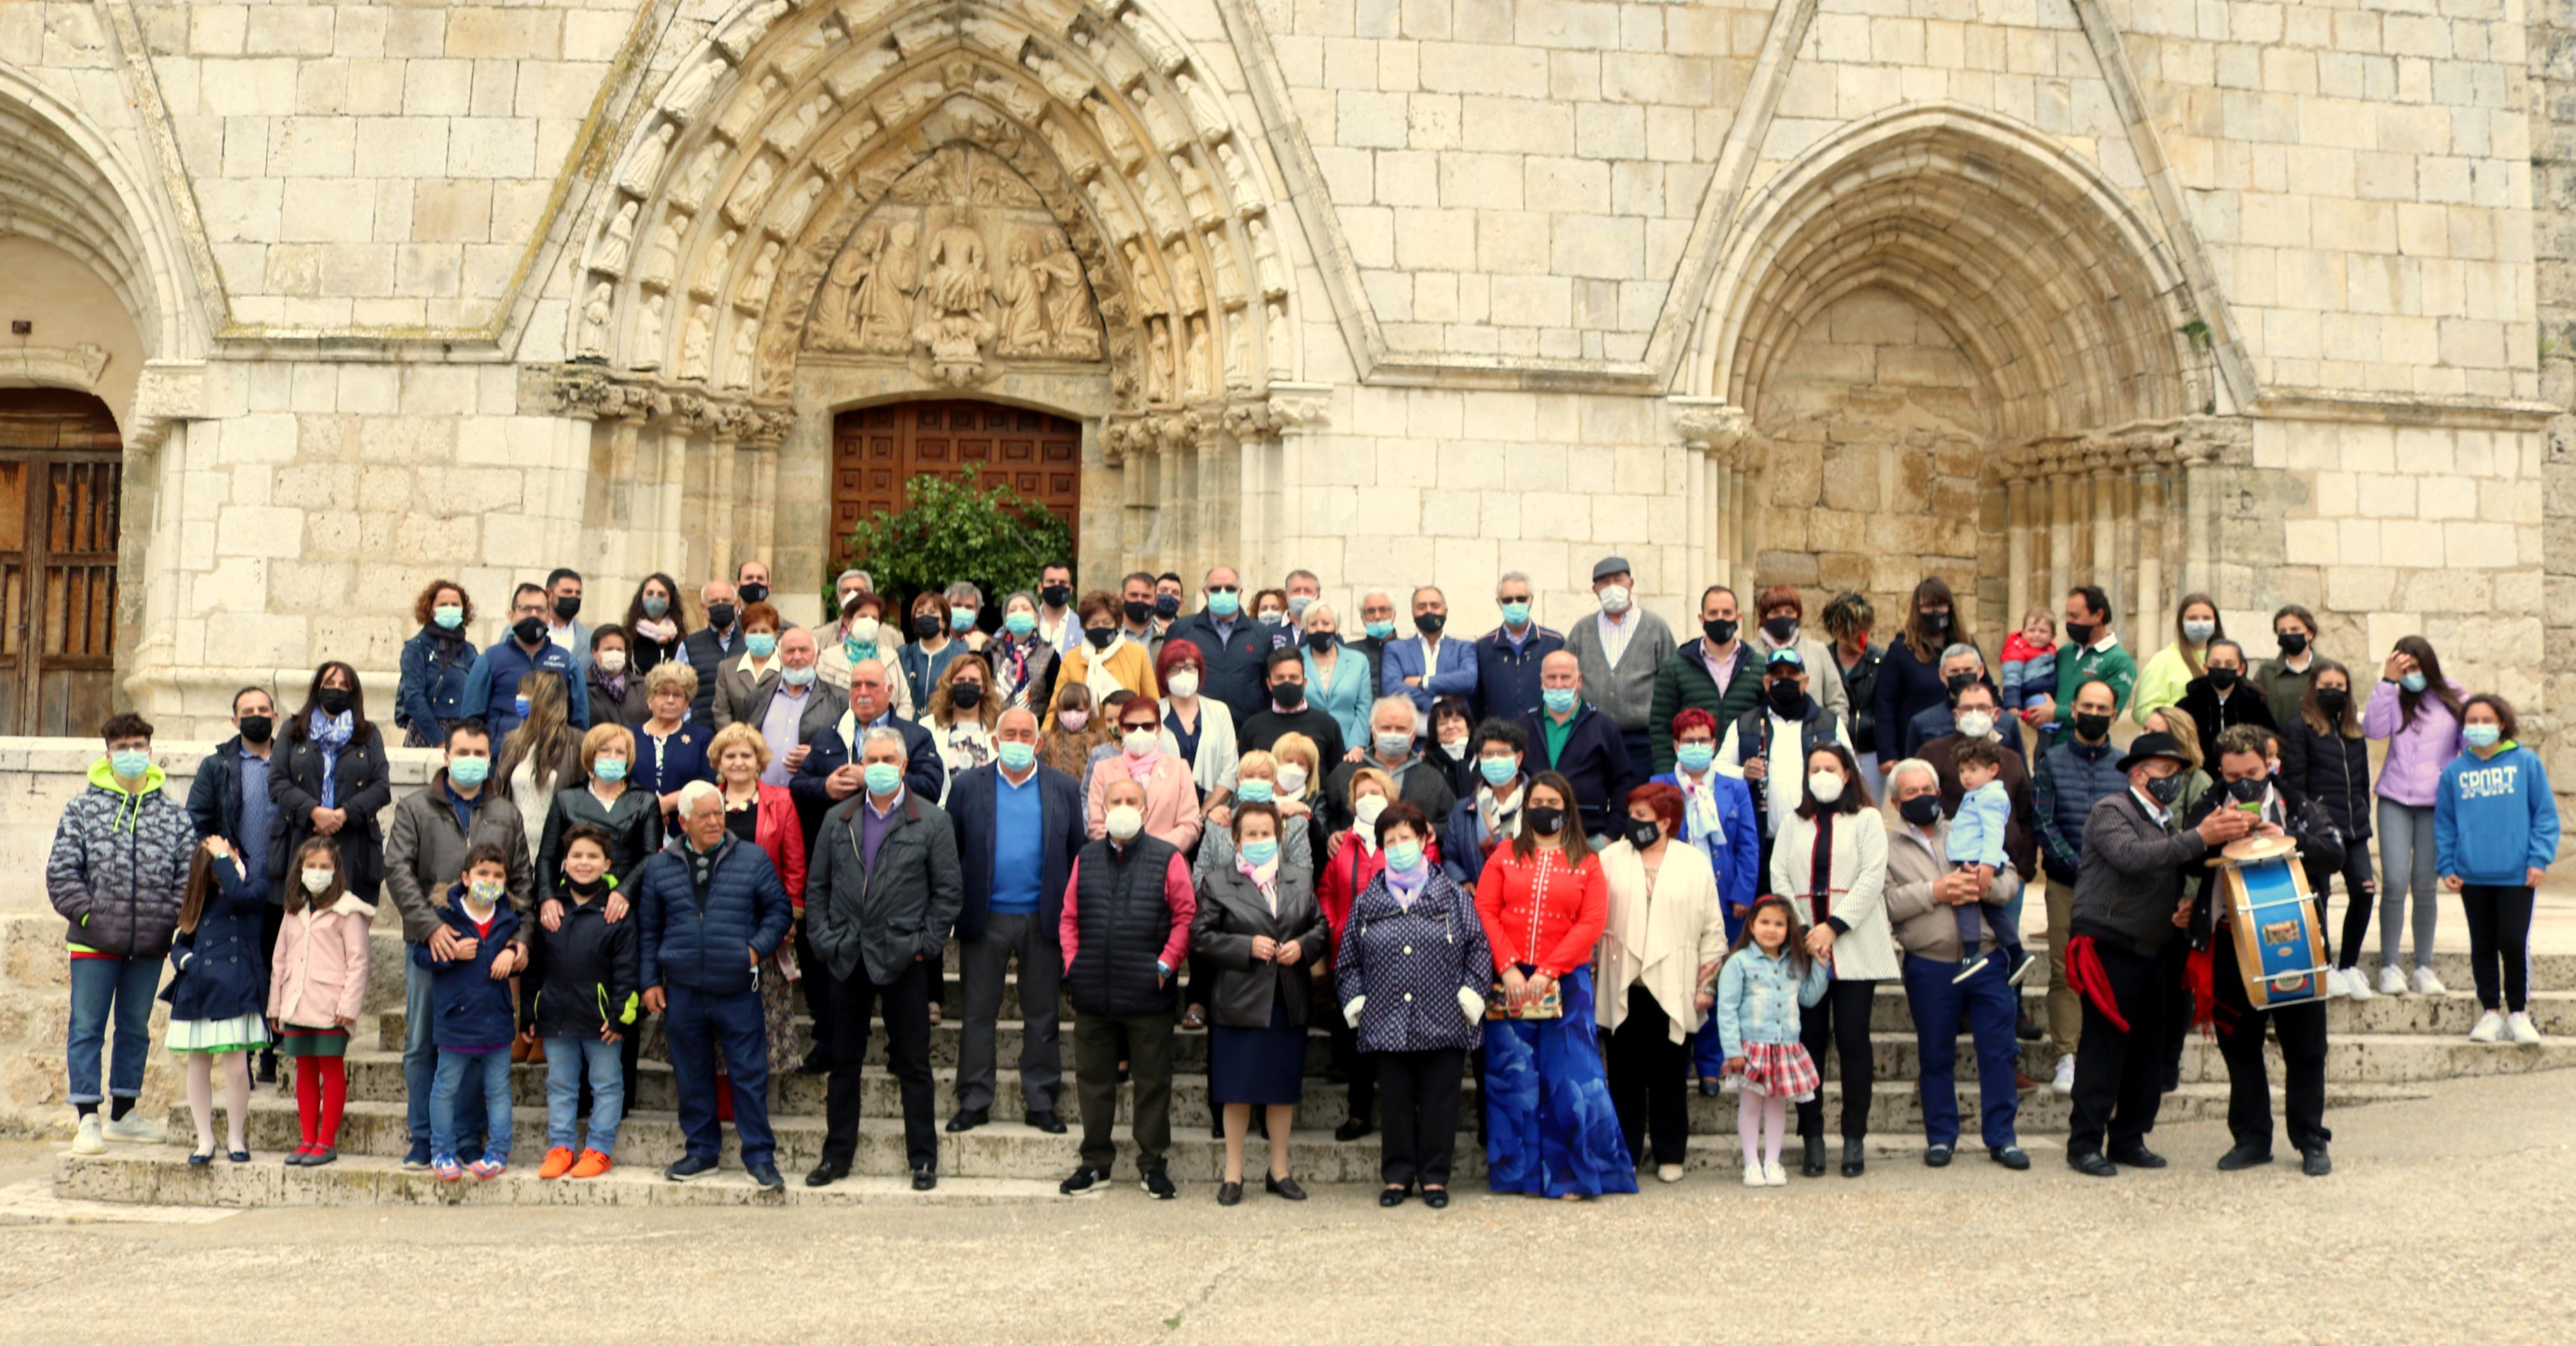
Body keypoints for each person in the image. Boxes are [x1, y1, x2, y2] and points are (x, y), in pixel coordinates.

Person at [2061, 731, 2253, 1177]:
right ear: (2137, 772)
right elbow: (2132, 857)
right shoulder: (2112, 809)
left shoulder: (2166, 822)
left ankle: (2129, 1137)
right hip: (2108, 944)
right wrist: (2200, 835)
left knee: (2149, 1052)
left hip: (2152, 950)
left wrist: (2183, 906)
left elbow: (2164, 867)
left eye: (2177, 773)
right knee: (2104, 1048)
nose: (2172, 779)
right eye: (2164, 771)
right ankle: (2084, 1143)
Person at [805, 727, 963, 1190]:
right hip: (848, 955)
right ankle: (836, 1157)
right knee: (844, 1063)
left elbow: (948, 893)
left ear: (903, 764)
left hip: (903, 958)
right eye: (870, 756)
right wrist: (826, 939)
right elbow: (817, 888)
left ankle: (923, 1159)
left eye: (887, 757)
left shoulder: (932, 821)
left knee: (913, 1064)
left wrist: (923, 945)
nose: (878, 764)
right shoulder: (837, 819)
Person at [2180, 726, 2337, 1175]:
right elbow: (2182, 857)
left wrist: (2288, 839)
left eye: (2251, 771)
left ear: (2268, 762)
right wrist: (2209, 835)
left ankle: (2310, 1139)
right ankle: (2251, 1138)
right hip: (2231, 940)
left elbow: (2333, 853)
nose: (2243, 781)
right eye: (2232, 775)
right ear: (2220, 771)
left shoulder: (2295, 803)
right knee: (2238, 1045)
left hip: (2295, 940)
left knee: (2306, 1048)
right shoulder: (2209, 803)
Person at [1472, 771, 1634, 1198]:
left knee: (1573, 1078)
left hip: (1567, 980)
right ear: (1526, 808)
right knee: (1515, 1077)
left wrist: (1549, 968)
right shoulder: (1503, 854)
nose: (1544, 806)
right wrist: (1507, 966)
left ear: (1567, 807)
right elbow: (1485, 909)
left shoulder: (1587, 861)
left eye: (1552, 800)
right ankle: (1520, 1176)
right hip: (1509, 978)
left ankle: (1576, 1175)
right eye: (1536, 800)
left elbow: (1591, 921)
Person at [383, 720, 533, 1170]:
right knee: (422, 1044)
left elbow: (523, 882)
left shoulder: (506, 812)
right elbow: (398, 870)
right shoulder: (415, 807)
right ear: (447, 756)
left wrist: (522, 940)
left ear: (490, 758)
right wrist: (431, 926)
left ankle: (469, 1137)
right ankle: (424, 1137)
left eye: (480, 752)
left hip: (487, 952)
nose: (471, 760)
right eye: (462, 752)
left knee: (478, 1045)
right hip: (433, 946)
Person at [636, 780, 794, 1188]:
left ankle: (760, 1158)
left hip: (738, 987)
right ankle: (701, 1152)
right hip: (683, 988)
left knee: (749, 1076)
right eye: (704, 815)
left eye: (719, 813)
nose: (714, 821)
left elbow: (778, 912)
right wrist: (651, 981)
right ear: (683, 820)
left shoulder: (753, 859)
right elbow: (649, 929)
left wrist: (755, 951)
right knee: (692, 1076)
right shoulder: (660, 866)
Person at [50, 713, 194, 1154]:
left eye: (138, 745)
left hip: (149, 945)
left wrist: (165, 918)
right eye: (122, 746)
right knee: (88, 1027)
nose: (131, 753)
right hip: (93, 942)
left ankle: (124, 1113)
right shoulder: (82, 808)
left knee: (135, 1028)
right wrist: (93, 917)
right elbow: (61, 873)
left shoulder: (172, 814)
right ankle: (88, 1117)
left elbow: (187, 876)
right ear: (107, 753)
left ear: (150, 751)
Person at [1335, 800, 1488, 1207]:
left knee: (1442, 1102)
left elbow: (1478, 949)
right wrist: (1358, 1004)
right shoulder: (1368, 902)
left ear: (1422, 840)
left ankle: (1435, 1178)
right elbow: (1347, 960)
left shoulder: (1452, 896)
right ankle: (1398, 1176)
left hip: (1445, 1018)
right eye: (1391, 840)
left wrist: (1469, 996)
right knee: (1397, 1103)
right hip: (1386, 1020)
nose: (1399, 845)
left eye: (1406, 837)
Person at [1881, 759, 2030, 1170]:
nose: (1922, 797)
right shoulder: (1886, 847)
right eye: (1911, 792)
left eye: (1927, 788)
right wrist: (1936, 890)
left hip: (1985, 960)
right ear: (1896, 801)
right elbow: (1887, 903)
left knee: (1998, 1052)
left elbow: (2010, 880)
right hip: (1929, 965)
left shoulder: (1970, 824)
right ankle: (1941, 1137)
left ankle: (2003, 1138)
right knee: (1935, 1055)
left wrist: (1981, 886)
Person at [947, 707, 1086, 1134]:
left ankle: (1041, 1100)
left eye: (1026, 733)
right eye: (1009, 732)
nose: (1018, 739)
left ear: (1038, 742)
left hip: (1042, 918)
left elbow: (1076, 852)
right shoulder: (967, 786)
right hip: (984, 916)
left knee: (1042, 1013)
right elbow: (952, 850)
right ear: (994, 740)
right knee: (977, 1012)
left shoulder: (1062, 787)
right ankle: (973, 1099)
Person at [1057, 776, 1195, 1199]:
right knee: (1093, 1080)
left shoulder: (1168, 857)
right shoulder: (1086, 857)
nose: (1121, 805)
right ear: (1101, 807)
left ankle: (1152, 1163)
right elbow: (1068, 918)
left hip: (1147, 993)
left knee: (1152, 1082)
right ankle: (1094, 1162)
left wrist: (1165, 964)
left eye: (1130, 799)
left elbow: (1185, 915)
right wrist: (1073, 963)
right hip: (1093, 991)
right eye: (1114, 799)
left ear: (1144, 808)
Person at [1193, 803, 1327, 1203]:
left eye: (1265, 833)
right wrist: (1244, 946)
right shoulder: (1217, 882)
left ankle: (1279, 1170)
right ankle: (1233, 1175)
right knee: (1236, 1091)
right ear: (1236, 839)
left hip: (1286, 999)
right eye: (1249, 834)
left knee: (1281, 1090)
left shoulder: (1300, 878)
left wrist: (1302, 947)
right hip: (1239, 1001)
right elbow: (1200, 937)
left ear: (1279, 837)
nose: (1258, 841)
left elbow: (1321, 926)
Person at [1767, 744, 1889, 1178]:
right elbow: (1778, 873)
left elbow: (1872, 875)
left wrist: (1833, 926)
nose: (1821, 774)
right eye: (1814, 768)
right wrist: (1803, 929)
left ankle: (1853, 1137)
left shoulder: (1867, 819)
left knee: (1854, 1040)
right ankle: (1812, 1136)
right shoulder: (1792, 822)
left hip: (1853, 942)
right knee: (1808, 1044)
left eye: (1830, 767)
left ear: (1847, 773)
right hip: (1805, 947)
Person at [1595, 783, 1727, 1184]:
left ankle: (1671, 1153)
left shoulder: (1693, 863)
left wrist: (1706, 986)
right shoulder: (1610, 857)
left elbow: (1711, 929)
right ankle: (1626, 1153)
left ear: (1666, 822)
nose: (1633, 823)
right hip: (1624, 981)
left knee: (1670, 1075)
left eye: (1642, 818)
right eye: (1631, 815)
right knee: (1624, 1076)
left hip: (1675, 982)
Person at [2435, 694, 2558, 1045]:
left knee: (2513, 941)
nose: (2478, 727)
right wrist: (2446, 864)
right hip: (2473, 875)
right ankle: (2490, 1011)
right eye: (2471, 720)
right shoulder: (2454, 772)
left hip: (2517, 874)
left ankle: (2518, 1012)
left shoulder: (2526, 763)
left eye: (2485, 719)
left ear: (2502, 723)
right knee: (2483, 944)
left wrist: (2539, 858)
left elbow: (2545, 815)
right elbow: (2444, 823)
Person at [523, 824, 637, 1180]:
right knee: (560, 1083)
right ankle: (560, 1147)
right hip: (557, 1014)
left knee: (605, 1083)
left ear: (607, 865)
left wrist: (621, 1014)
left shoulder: (616, 910)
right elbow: (534, 967)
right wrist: (530, 1010)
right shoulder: (550, 910)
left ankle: (599, 1149)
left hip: (601, 1019)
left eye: (592, 856)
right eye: (576, 856)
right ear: (564, 863)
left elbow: (627, 966)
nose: (583, 863)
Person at [2031, 678, 2126, 1092]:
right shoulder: (2050, 761)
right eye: (2086, 705)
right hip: (2066, 881)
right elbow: (2043, 820)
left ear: (2114, 715)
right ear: (2073, 710)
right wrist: (2074, 862)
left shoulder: (2125, 765)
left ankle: (2103, 1053)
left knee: (2111, 969)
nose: (2092, 713)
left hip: (2117, 885)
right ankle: (2066, 1055)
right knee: (2063, 969)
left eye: (2101, 707)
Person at [187, 687, 283, 1083]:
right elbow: (198, 817)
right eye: (248, 711)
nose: (256, 715)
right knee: (243, 970)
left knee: (277, 968)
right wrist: (221, 861)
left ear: (275, 716)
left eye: (263, 709)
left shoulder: (292, 762)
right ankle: (241, 1056)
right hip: (234, 889)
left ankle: (272, 1055)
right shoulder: (217, 766)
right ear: (234, 721)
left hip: (280, 887)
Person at [2364, 636, 2465, 996]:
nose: (2412, 676)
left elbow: (2468, 747)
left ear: (2429, 664)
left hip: (2436, 804)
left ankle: (2424, 966)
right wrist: (2388, 682)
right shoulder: (2394, 695)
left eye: (2416, 668)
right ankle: (2389, 965)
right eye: (2404, 669)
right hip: (2394, 798)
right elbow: (2373, 730)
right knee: (2393, 882)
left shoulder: (2454, 696)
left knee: (2424, 885)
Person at [419, 843, 524, 1181]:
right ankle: (441, 1151)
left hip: (497, 1020)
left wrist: (513, 953)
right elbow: (422, 958)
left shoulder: (509, 920)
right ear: (465, 877)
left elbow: (523, 958)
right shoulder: (444, 917)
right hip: (455, 1021)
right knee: (445, 1087)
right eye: (482, 874)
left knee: (498, 1090)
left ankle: (498, 1151)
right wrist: (450, 954)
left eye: (497, 875)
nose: (489, 881)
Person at [709, 723, 810, 1076]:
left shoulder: (780, 801)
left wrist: (790, 916)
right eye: (730, 755)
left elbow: (795, 862)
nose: (738, 762)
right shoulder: (707, 800)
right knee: (716, 1014)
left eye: (746, 755)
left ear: (759, 760)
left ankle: (753, 1095)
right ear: (719, 761)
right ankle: (721, 1097)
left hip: (763, 923)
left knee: (761, 1013)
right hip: (715, 922)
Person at [2278, 662, 2380, 1001]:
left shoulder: (2354, 732)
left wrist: (2363, 815)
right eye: (2327, 684)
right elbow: (2296, 784)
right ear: (2314, 687)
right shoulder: (2299, 729)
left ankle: (2348, 967)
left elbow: (2362, 781)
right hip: (2321, 832)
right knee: (2318, 899)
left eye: (2340, 684)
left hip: (2354, 830)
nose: (2334, 690)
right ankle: (2323, 965)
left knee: (2364, 892)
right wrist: (2308, 823)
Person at [164, 836, 270, 1164]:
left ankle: (236, 1137)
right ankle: (205, 1139)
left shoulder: (255, 887)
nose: (222, 860)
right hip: (199, 990)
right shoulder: (200, 898)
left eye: (227, 852)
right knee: (198, 1065)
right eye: (215, 857)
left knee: (238, 1069)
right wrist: (187, 962)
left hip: (237, 988)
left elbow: (239, 896)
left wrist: (224, 857)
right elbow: (181, 941)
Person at [267, 836, 371, 1166]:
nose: (317, 872)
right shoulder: (293, 911)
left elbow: (359, 962)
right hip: (296, 1003)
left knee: (331, 1068)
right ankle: (307, 1139)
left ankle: (326, 1142)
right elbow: (279, 960)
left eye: (324, 866)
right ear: (300, 869)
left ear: (336, 870)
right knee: (304, 1071)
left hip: (331, 1007)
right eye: (311, 866)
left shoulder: (347, 911)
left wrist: (348, 1007)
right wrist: (275, 1006)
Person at [1715, 895, 1829, 1187]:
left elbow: (1808, 998)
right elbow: (1726, 1008)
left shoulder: (1795, 963)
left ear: (1788, 928)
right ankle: (1752, 1164)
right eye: (1765, 922)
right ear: (1752, 925)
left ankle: (1773, 1161)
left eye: (1779, 924)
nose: (1771, 929)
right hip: (1751, 1047)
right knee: (1751, 1105)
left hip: (1785, 1047)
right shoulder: (1738, 963)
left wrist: (1820, 967)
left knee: (1777, 1106)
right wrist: (1732, 1049)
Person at [271, 662, 392, 931]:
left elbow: (381, 787)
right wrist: (314, 811)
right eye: (330, 684)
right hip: (301, 838)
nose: (336, 690)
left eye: (344, 686)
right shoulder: (293, 729)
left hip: (354, 843)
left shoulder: (369, 734)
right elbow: (278, 782)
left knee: (347, 934)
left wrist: (344, 813)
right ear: (318, 688)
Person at [1716, 647, 1849, 884]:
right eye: (1778, 676)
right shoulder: (1744, 725)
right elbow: (1717, 771)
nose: (1784, 680)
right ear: (1767, 683)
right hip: (1763, 844)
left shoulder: (1830, 724)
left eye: (1791, 675)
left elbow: (1852, 773)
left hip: (1818, 839)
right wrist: (1743, 773)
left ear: (1805, 681)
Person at [1315, 766, 1399, 1141]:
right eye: (1361, 794)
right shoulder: (1342, 844)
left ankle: (1401, 1113)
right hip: (1349, 955)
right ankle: (1359, 1113)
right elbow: (1327, 891)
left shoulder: (1407, 837)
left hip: (1397, 954)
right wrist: (1336, 929)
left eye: (1375, 791)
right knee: (1356, 1037)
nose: (1369, 799)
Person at [794, 658, 946, 840]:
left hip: (901, 844)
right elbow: (797, 787)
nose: (863, 692)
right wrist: (825, 787)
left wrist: (873, 779)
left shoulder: (916, 737)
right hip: (839, 844)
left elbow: (931, 789)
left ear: (889, 691)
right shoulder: (827, 737)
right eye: (856, 685)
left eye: (872, 685)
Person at [1652, 708, 1761, 940]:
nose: (1696, 746)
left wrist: (1743, 893)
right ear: (1676, 746)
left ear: (1713, 745)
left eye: (1702, 740)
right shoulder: (1658, 786)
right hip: (1673, 896)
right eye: (1689, 741)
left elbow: (1748, 845)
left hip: (1725, 897)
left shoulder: (1736, 788)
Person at [1563, 557, 1677, 778]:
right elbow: (1567, 677)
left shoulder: (1655, 627)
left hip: (1642, 740)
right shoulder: (1582, 630)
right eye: (1604, 583)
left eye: (1618, 580)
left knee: (1637, 803)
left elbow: (1670, 681)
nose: (1612, 587)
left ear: (1631, 584)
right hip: (1592, 735)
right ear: (1595, 590)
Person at [1516, 650, 1634, 841]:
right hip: (1532, 837)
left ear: (1579, 681)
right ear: (1541, 681)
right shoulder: (1523, 726)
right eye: (1551, 678)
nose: (1558, 685)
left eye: (1566, 678)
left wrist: (1610, 836)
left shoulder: (1603, 727)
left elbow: (1622, 783)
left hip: (1589, 836)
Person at [463, 582, 592, 753]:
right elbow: (471, 719)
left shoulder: (567, 662)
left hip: (551, 759)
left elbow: (579, 721)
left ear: (548, 616)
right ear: (511, 615)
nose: (533, 615)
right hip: (500, 759)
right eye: (526, 609)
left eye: (540, 610)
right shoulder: (489, 660)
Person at [537, 724, 663, 896]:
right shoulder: (566, 799)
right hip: (574, 894)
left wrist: (624, 892)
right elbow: (548, 857)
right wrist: (547, 899)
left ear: (628, 759)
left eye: (620, 752)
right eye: (605, 750)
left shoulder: (646, 801)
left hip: (626, 899)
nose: (613, 757)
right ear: (592, 755)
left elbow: (650, 856)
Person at [1647, 585, 1760, 772]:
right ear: (1702, 618)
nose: (1720, 618)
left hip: (1742, 777)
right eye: (1713, 613)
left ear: (1738, 617)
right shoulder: (1676, 667)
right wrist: (1668, 776)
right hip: (1689, 775)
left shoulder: (1758, 668)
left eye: (1727, 612)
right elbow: (1661, 728)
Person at [1941, 737, 2024, 984]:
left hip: (1977, 860)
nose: (1966, 776)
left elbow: (1994, 832)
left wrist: (1987, 865)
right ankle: (2017, 952)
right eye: (1962, 770)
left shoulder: (1990, 797)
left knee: (1964, 900)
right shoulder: (1978, 794)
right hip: (1974, 857)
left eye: (1974, 769)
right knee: (1992, 910)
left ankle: (1971, 954)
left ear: (1993, 771)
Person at [1321, 694, 1458, 833]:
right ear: (1373, 731)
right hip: (1356, 853)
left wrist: (1434, 830)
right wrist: (1332, 836)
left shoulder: (1431, 777)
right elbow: (1324, 814)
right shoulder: (1346, 772)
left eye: (1401, 729)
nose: (1393, 734)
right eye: (1386, 728)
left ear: (1413, 735)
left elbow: (1454, 822)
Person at [1873, 579, 1974, 764]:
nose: (1935, 612)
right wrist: (1888, 754)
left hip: (1967, 743)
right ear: (1917, 610)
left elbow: (1987, 689)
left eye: (1941, 605)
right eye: (1928, 606)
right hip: (1917, 744)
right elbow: (1885, 704)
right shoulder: (1901, 651)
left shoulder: (1966, 646)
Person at [1158, 566, 1269, 725]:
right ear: (1205, 592)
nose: (1223, 593)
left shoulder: (1261, 634)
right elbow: (1164, 676)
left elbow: (1267, 686)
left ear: (1240, 592)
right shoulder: (1182, 630)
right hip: (1193, 727)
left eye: (1230, 589)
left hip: (1247, 728)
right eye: (1216, 589)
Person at [493, 670, 584, 862]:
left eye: (526, 693)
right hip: (515, 851)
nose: (520, 699)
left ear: (544, 700)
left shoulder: (578, 744)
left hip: (558, 853)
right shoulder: (512, 742)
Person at [2030, 585, 2138, 743]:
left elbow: (2109, 713)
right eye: (2067, 616)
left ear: (2098, 616)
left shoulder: (2120, 661)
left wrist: (2057, 713)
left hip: (2085, 751)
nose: (2069, 622)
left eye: (2075, 616)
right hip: (2049, 747)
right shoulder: (2065, 653)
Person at [1440, 718, 1530, 892]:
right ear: (1480, 758)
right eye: (1489, 754)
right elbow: (1450, 857)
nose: (1495, 760)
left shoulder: (1537, 803)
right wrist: (1463, 881)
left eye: (1503, 754)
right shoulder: (1464, 810)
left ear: (1519, 758)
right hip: (1482, 901)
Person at [1748, 584, 1850, 726]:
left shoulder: (1818, 651)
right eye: (1776, 612)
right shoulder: (1750, 652)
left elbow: (1837, 702)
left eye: (1789, 612)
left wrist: (1829, 739)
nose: (1783, 616)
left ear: (1798, 616)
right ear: (1764, 617)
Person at [1155, 639, 1238, 807]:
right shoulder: (1153, 713)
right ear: (1164, 675)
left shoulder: (1219, 711)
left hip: (1213, 812)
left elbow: (1230, 770)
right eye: (1174, 669)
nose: (1183, 674)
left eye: (1189, 668)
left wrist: (1204, 813)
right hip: (1164, 812)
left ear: (1199, 671)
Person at [1474, 571, 1563, 725]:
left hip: (1544, 733)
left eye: (1521, 599)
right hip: (1500, 737)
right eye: (1508, 600)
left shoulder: (1554, 642)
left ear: (1531, 600)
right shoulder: (1483, 647)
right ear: (1499, 603)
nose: (1515, 604)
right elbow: (1476, 701)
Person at [397, 578, 478, 747]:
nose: (450, 608)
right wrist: (439, 741)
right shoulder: (417, 648)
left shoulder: (469, 650)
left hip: (463, 732)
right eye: (443, 604)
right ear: (432, 610)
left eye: (455, 604)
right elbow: (413, 698)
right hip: (427, 732)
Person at [628, 662, 715, 817]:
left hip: (685, 821)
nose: (670, 700)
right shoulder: (629, 735)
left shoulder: (702, 737)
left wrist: (668, 803)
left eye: (677, 695)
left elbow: (708, 782)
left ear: (687, 703)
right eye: (663, 693)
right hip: (635, 819)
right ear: (649, 700)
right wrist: (650, 810)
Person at [1381, 585, 1480, 720]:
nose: (1429, 611)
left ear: (1445, 611)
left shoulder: (1463, 648)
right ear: (1413, 613)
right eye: (1422, 607)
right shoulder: (1396, 649)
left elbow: (1468, 680)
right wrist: (1436, 702)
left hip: (1453, 736)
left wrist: (1423, 682)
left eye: (1435, 606)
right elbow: (1392, 688)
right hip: (1412, 738)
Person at [2175, 637, 2278, 767]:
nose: (2222, 668)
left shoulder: (2255, 705)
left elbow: (2271, 742)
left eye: (2229, 664)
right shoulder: (2186, 706)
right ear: (2206, 668)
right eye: (2216, 664)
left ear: (2241, 669)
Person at [1820, 592, 1885, 794]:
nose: (1860, 635)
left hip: (1870, 751)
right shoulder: (1823, 657)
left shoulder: (1881, 661)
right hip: (1832, 748)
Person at [1241, 646, 1348, 765]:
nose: (1287, 683)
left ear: (1304, 683)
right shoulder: (1252, 727)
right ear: (1269, 684)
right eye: (1280, 678)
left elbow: (1337, 777)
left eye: (1294, 677)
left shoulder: (1328, 725)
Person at [2130, 592, 2222, 728]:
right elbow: (2142, 710)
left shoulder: (2227, 659)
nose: (2200, 624)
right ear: (2181, 623)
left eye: (2207, 618)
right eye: (2193, 618)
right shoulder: (2163, 660)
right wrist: (2180, 717)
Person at [819, 590, 916, 717]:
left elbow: (905, 702)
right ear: (848, 622)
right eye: (863, 616)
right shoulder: (829, 658)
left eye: (874, 618)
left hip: (887, 733)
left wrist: (893, 732)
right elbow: (822, 703)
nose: (870, 622)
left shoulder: (890, 656)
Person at [925, 653, 1002, 802]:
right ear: (950, 684)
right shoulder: (928, 727)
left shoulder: (999, 728)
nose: (967, 684)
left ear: (984, 687)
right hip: (943, 814)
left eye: (973, 680)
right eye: (960, 680)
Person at [1299, 601, 1375, 752]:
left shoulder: (1358, 661)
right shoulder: (1296, 659)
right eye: (1313, 624)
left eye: (1326, 623)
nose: (1319, 628)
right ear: (1306, 630)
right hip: (1305, 746)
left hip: (1347, 746)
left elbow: (1364, 707)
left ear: (1337, 628)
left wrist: (1357, 745)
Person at [1067, 589, 1160, 708]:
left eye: (1106, 622)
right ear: (1085, 626)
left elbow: (1153, 703)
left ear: (1117, 624)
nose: (1100, 627)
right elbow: (1056, 705)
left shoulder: (1138, 654)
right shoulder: (1072, 658)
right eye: (1094, 623)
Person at [1899, 643, 1992, 760]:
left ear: (1981, 670)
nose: (1962, 676)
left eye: (1968, 670)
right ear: (1942, 675)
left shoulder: (2004, 722)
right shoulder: (1922, 723)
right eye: (1955, 672)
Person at [710, 601, 786, 728]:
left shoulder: (786, 668)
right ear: (744, 635)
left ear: (776, 634)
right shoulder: (727, 668)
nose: (759, 636)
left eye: (765, 631)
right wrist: (737, 738)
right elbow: (721, 711)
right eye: (753, 631)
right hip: (737, 742)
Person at [680, 580, 743, 724]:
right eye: (714, 602)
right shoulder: (689, 646)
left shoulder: (750, 643)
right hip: (701, 731)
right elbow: (681, 690)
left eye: (726, 601)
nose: (720, 605)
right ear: (703, 608)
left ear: (736, 605)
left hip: (743, 733)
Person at [990, 590, 1061, 712]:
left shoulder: (1050, 655)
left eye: (1025, 609)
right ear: (1006, 621)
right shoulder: (992, 653)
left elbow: (1055, 700)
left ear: (1037, 620)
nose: (1019, 613)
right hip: (996, 725)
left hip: (1035, 726)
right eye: (1013, 610)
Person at [897, 590, 967, 711]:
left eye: (932, 612)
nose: (925, 617)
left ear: (944, 622)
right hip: (910, 725)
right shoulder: (903, 654)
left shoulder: (962, 654)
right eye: (920, 613)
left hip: (945, 724)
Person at [2256, 605, 2322, 727]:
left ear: (2310, 634)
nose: (2289, 635)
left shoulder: (2326, 669)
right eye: (2283, 632)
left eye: (2295, 630)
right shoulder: (2267, 673)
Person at [622, 572, 689, 679]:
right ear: (641, 598)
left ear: (670, 602)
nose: (654, 599)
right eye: (650, 593)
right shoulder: (627, 636)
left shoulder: (680, 640)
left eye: (661, 595)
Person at [1999, 606, 2059, 724]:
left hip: (2048, 695)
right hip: (2031, 695)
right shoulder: (2016, 651)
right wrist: (2013, 706)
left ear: (2053, 636)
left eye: (2043, 631)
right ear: (2024, 632)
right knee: (2045, 719)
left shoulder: (2050, 651)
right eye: (2032, 630)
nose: (2037, 635)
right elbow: (2012, 679)